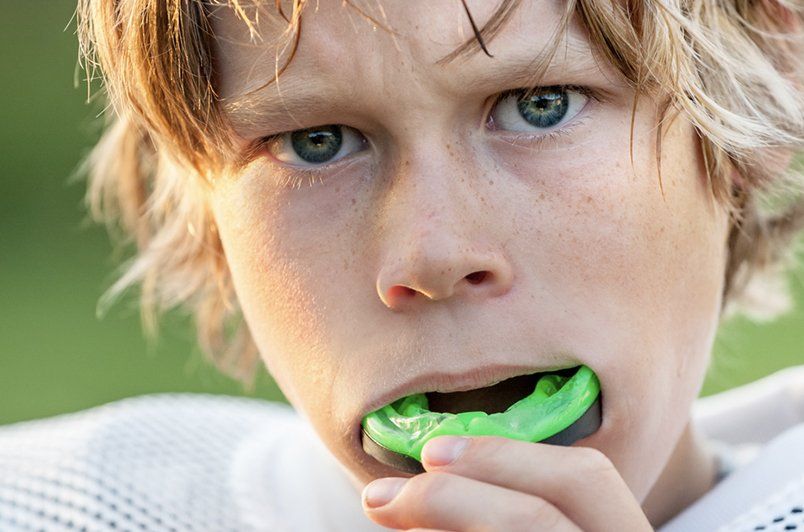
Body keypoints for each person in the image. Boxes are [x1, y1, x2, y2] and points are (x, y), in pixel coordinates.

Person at [1, 0, 803, 530]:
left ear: (767, 84)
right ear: (203, 206)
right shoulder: (61, 504)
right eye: (316, 142)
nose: (433, 255)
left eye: (540, 105)